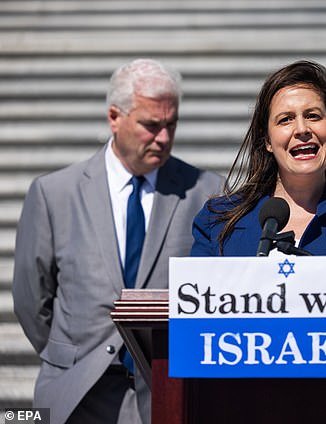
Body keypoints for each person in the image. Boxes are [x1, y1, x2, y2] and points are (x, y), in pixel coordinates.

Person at [12, 58, 224, 424]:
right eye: (151, 125)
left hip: (169, 389)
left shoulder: (208, 193)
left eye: (171, 125)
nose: (164, 138)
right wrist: (68, 357)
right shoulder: (54, 193)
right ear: (114, 117)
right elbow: (31, 300)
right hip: (77, 393)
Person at [191, 60, 326, 289]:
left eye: (313, 116)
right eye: (285, 119)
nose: (302, 129)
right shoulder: (217, 221)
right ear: (267, 140)